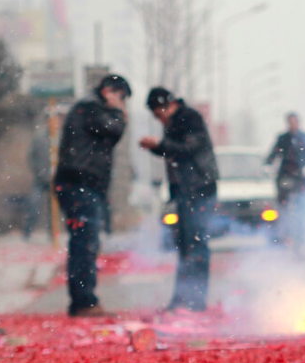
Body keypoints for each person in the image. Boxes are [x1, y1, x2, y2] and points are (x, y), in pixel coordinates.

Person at [53, 74, 130, 318]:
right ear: (108, 91)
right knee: (85, 243)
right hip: (79, 184)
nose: (123, 105)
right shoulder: (91, 108)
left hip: (81, 184)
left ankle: (82, 300)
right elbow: (114, 130)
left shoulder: (88, 108)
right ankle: (84, 301)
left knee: (83, 242)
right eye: (121, 98)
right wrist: (118, 113)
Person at [139, 87, 219, 313]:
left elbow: (189, 149)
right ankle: (183, 298)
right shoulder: (174, 122)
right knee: (185, 245)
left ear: (168, 106)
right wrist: (157, 148)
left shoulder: (189, 118)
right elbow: (175, 151)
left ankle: (196, 300)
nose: (159, 120)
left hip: (199, 188)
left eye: (158, 114)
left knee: (196, 244)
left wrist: (159, 145)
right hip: (185, 190)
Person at [265, 111, 305, 256]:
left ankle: (302, 240)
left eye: (294, 122)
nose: (292, 125)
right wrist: (268, 164)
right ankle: (283, 236)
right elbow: (274, 153)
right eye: (290, 122)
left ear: (298, 122)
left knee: (302, 208)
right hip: (285, 177)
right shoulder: (283, 138)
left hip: (301, 178)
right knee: (282, 208)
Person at [23, 121, 51, 239]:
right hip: (39, 179)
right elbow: (31, 156)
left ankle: (52, 233)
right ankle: (28, 231)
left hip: (54, 179)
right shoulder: (39, 137)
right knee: (34, 204)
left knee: (53, 208)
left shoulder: (60, 136)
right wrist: (38, 170)